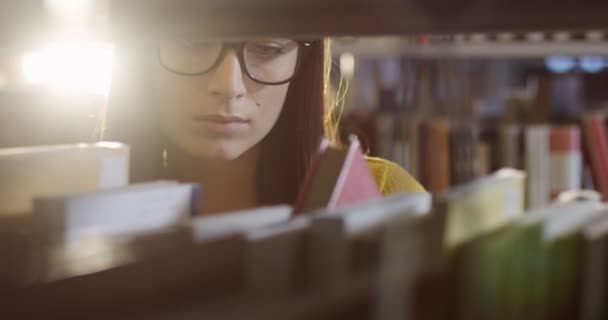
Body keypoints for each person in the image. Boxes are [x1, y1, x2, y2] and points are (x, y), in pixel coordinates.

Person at [104, 37, 424, 214]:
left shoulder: (385, 198)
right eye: (192, 43)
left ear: (304, 62)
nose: (229, 86)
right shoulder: (71, 208)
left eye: (266, 49)